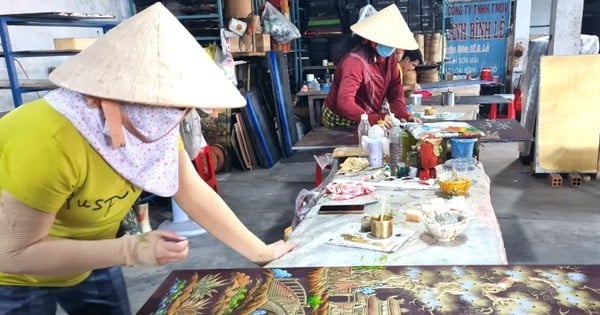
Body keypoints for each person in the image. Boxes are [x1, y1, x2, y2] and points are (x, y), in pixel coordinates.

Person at [0, 3, 295, 315]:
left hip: (90, 257)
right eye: (168, 107)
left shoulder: (150, 120)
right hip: (15, 275)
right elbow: (14, 253)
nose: (176, 118)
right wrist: (130, 249)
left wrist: (260, 251)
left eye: (180, 108)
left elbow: (192, 192)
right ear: (115, 95)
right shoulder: (48, 140)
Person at [322, 4, 421, 129]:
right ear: (374, 40)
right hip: (341, 117)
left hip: (366, 114)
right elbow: (344, 103)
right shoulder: (354, 62)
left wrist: (404, 116)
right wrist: (376, 118)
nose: (392, 48)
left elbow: (395, 89)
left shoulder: (389, 58)